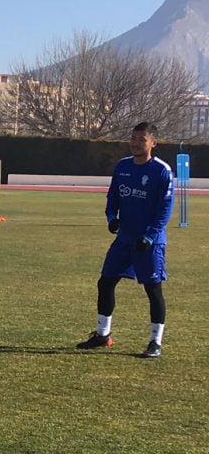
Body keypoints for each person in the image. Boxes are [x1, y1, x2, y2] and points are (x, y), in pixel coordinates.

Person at [77, 122, 173, 358]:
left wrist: (150, 236)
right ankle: (102, 335)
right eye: (133, 138)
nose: (135, 143)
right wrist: (112, 218)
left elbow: (165, 208)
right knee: (105, 283)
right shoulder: (122, 167)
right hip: (124, 240)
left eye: (141, 139)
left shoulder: (161, 171)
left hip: (150, 242)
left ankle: (155, 342)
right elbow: (113, 197)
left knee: (153, 290)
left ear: (153, 143)